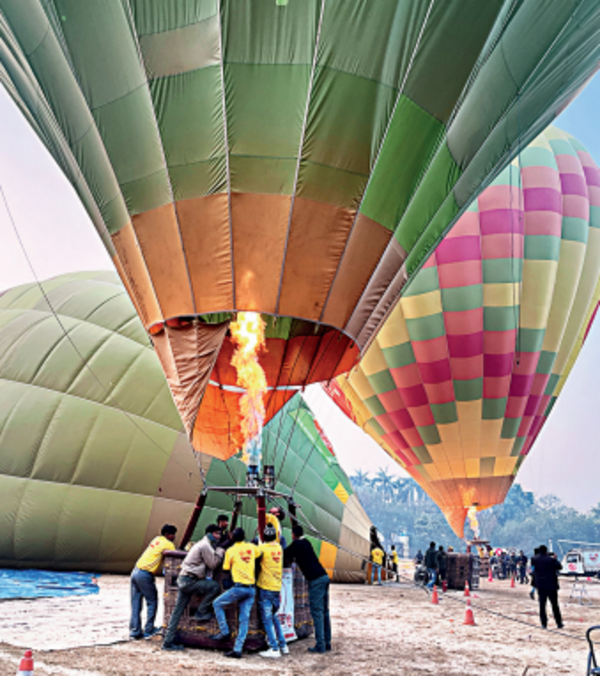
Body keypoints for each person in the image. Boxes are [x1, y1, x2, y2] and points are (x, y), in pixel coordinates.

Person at [162, 524, 224, 651]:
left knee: (177, 612)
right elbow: (212, 564)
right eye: (217, 534)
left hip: (183, 579)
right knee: (214, 587)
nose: (218, 537)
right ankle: (201, 612)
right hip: (190, 581)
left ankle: (167, 642)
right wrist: (221, 550)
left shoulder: (201, 544)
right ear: (210, 533)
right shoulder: (205, 546)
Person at [210, 528, 259, 658]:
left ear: (232, 538)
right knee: (244, 619)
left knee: (217, 603)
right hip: (251, 589)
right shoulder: (252, 547)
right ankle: (238, 649)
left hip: (239, 588)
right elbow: (259, 554)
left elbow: (225, 568)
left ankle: (225, 631)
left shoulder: (230, 551)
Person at [284, 525, 331, 654]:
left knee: (317, 612)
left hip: (315, 580)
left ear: (293, 535)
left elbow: (285, 554)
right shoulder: (306, 542)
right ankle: (327, 642)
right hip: (324, 577)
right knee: (324, 612)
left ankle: (320, 645)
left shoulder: (297, 544)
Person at [130, 524, 177, 640]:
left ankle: (134, 631)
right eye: (173, 534)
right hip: (145, 574)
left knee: (136, 604)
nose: (174, 536)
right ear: (168, 535)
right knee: (152, 602)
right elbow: (176, 556)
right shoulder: (168, 544)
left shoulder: (156, 539)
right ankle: (149, 630)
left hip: (135, 571)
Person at [256, 524, 289, 659]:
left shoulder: (262, 548)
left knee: (267, 619)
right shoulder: (279, 547)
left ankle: (274, 648)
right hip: (276, 587)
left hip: (266, 587)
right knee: (274, 617)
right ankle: (283, 645)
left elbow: (254, 554)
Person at [531, 545, 563, 629]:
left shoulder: (534, 559)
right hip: (551, 585)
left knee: (542, 605)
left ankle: (544, 623)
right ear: (546, 551)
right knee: (554, 605)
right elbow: (559, 567)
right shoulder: (551, 560)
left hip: (540, 585)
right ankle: (559, 622)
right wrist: (555, 558)